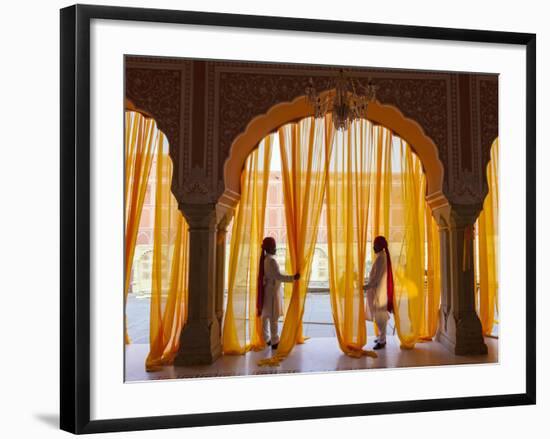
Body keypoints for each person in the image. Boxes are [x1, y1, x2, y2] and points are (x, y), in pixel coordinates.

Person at [257, 237, 300, 350]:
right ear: (270, 248)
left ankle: (267, 339)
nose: (276, 249)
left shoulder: (265, 259)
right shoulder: (272, 261)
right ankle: (275, 341)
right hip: (272, 293)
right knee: (273, 317)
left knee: (265, 317)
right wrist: (293, 278)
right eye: (274, 247)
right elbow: (278, 276)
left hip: (267, 290)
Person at [363, 236, 394, 350]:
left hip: (380, 292)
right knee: (379, 316)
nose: (373, 247)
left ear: (380, 246)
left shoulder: (382, 258)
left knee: (380, 317)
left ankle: (382, 341)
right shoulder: (381, 256)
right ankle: (381, 337)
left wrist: (367, 285)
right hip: (377, 290)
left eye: (375, 245)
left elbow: (377, 277)